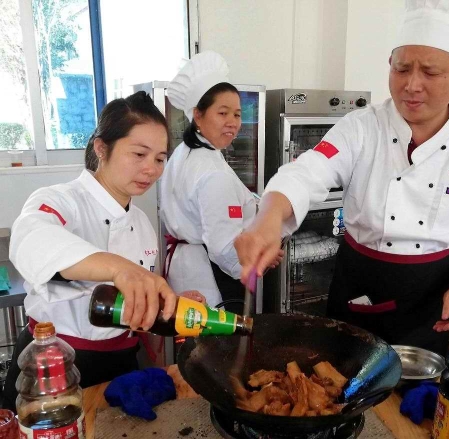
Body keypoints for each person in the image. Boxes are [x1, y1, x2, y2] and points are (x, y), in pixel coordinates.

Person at [235, 0, 449, 356]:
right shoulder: (361, 127)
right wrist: (269, 217)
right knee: (341, 374)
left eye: (430, 73)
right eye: (402, 69)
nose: (412, 85)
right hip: (361, 282)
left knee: (422, 384)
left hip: (437, 294)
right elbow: (308, 171)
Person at [3, 92, 181, 411]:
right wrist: (118, 268)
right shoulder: (60, 200)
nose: (151, 169)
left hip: (121, 363)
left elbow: (133, 307)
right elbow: (31, 238)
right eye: (139, 154)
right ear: (101, 148)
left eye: (159, 158)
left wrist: (168, 305)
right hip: (53, 365)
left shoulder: (141, 222)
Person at [160, 51, 280, 313]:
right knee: (216, 339)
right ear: (198, 115)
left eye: (237, 114)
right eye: (222, 113)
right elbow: (224, 247)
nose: (232, 123)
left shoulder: (184, 153)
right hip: (211, 280)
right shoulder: (213, 173)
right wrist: (259, 258)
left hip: (186, 269)